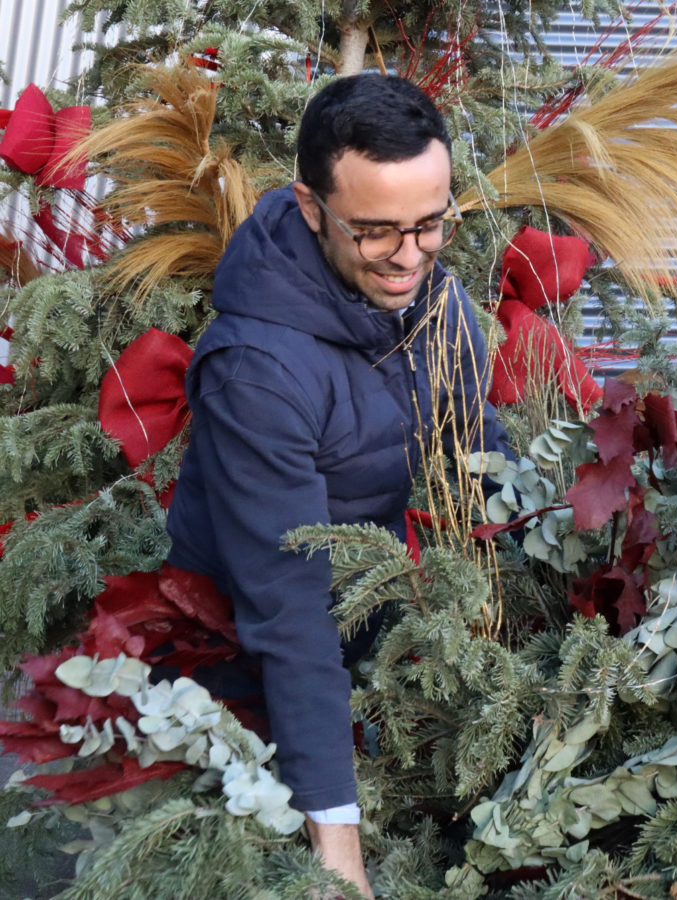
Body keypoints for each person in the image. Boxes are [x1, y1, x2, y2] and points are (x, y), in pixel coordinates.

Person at [166, 74, 507, 897]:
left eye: (432, 224)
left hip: (387, 631)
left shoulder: (441, 304)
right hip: (251, 666)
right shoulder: (257, 371)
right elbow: (290, 612)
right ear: (311, 208)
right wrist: (338, 848)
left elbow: (479, 468)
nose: (410, 255)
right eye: (377, 232)